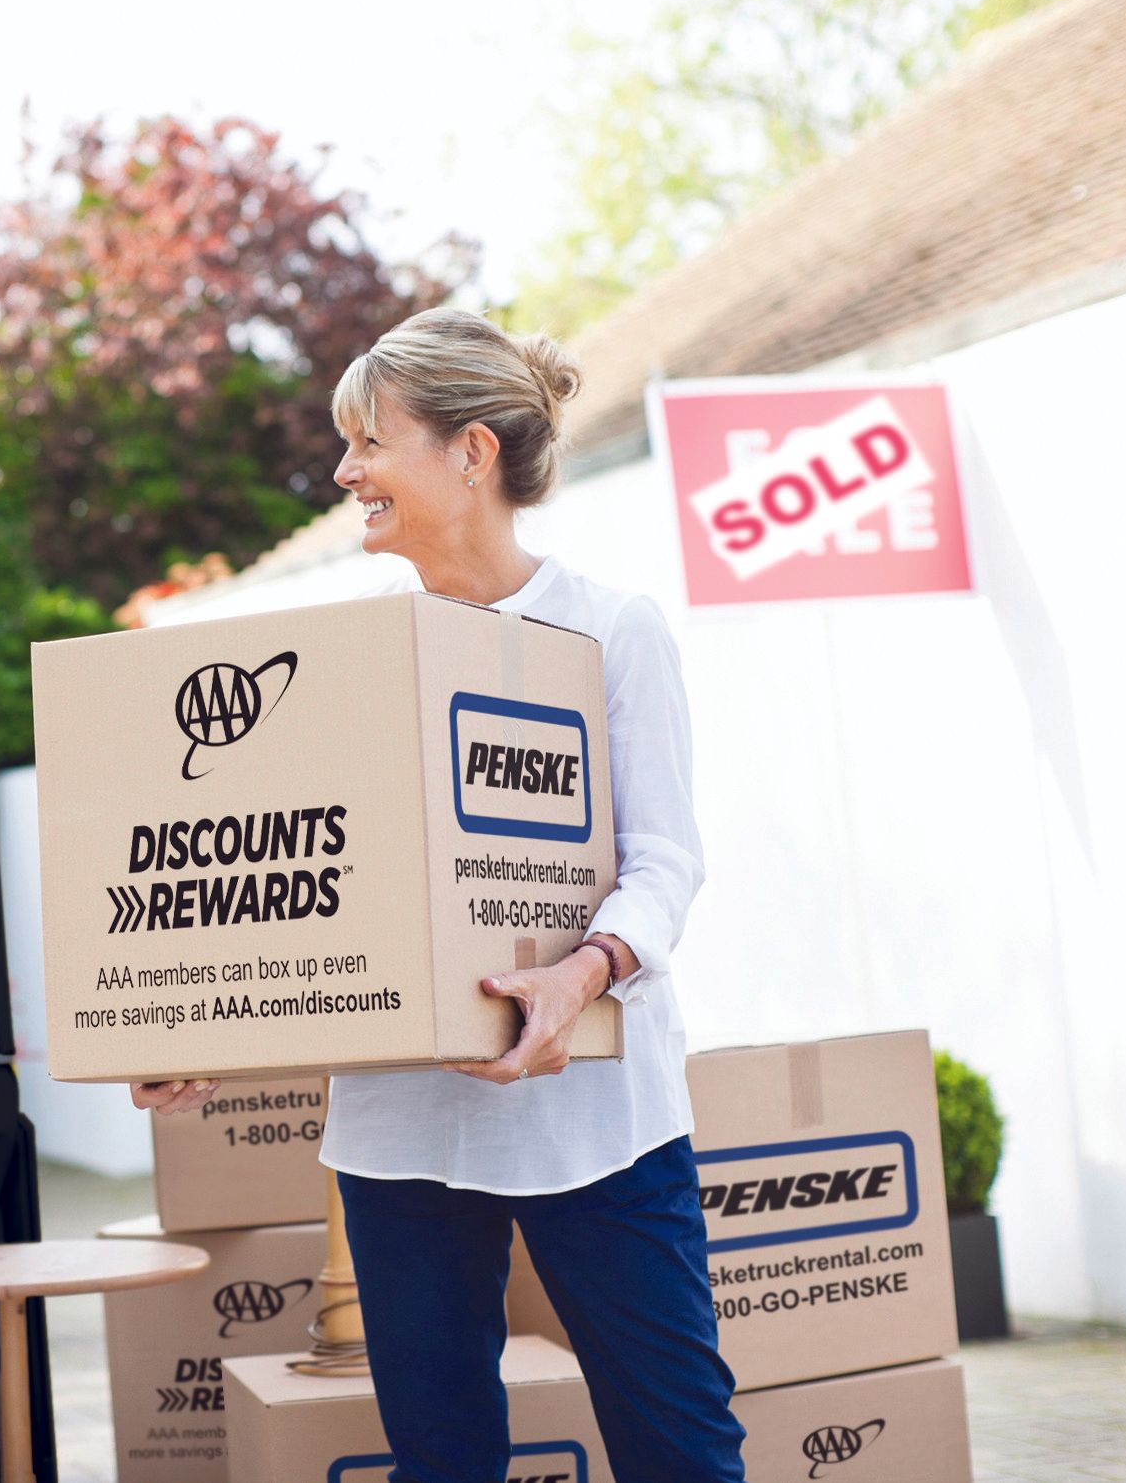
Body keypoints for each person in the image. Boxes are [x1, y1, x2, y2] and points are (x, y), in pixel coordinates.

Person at [134, 308, 743, 1482]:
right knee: (440, 1458)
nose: (342, 470)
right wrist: (203, 1028)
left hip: (593, 1122)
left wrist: (583, 972)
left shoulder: (609, 627)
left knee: (680, 1448)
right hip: (401, 1129)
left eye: (369, 441)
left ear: (470, 453)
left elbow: (665, 858)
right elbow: (313, 893)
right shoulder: (353, 659)